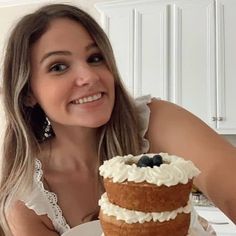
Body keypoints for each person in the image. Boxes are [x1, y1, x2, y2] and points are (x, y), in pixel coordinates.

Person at [0, 3, 235, 236]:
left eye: (95, 58)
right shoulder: (28, 202)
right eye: (59, 66)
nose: (89, 76)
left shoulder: (156, 122)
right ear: (29, 93)